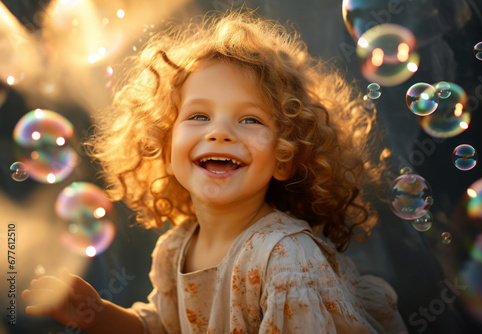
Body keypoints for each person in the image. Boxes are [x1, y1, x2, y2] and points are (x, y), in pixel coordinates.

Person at [22, 9, 408, 333]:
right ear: (164, 142)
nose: (220, 132)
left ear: (285, 156)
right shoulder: (175, 249)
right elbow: (162, 325)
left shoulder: (286, 259)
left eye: (250, 120)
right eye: (199, 115)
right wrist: (99, 313)